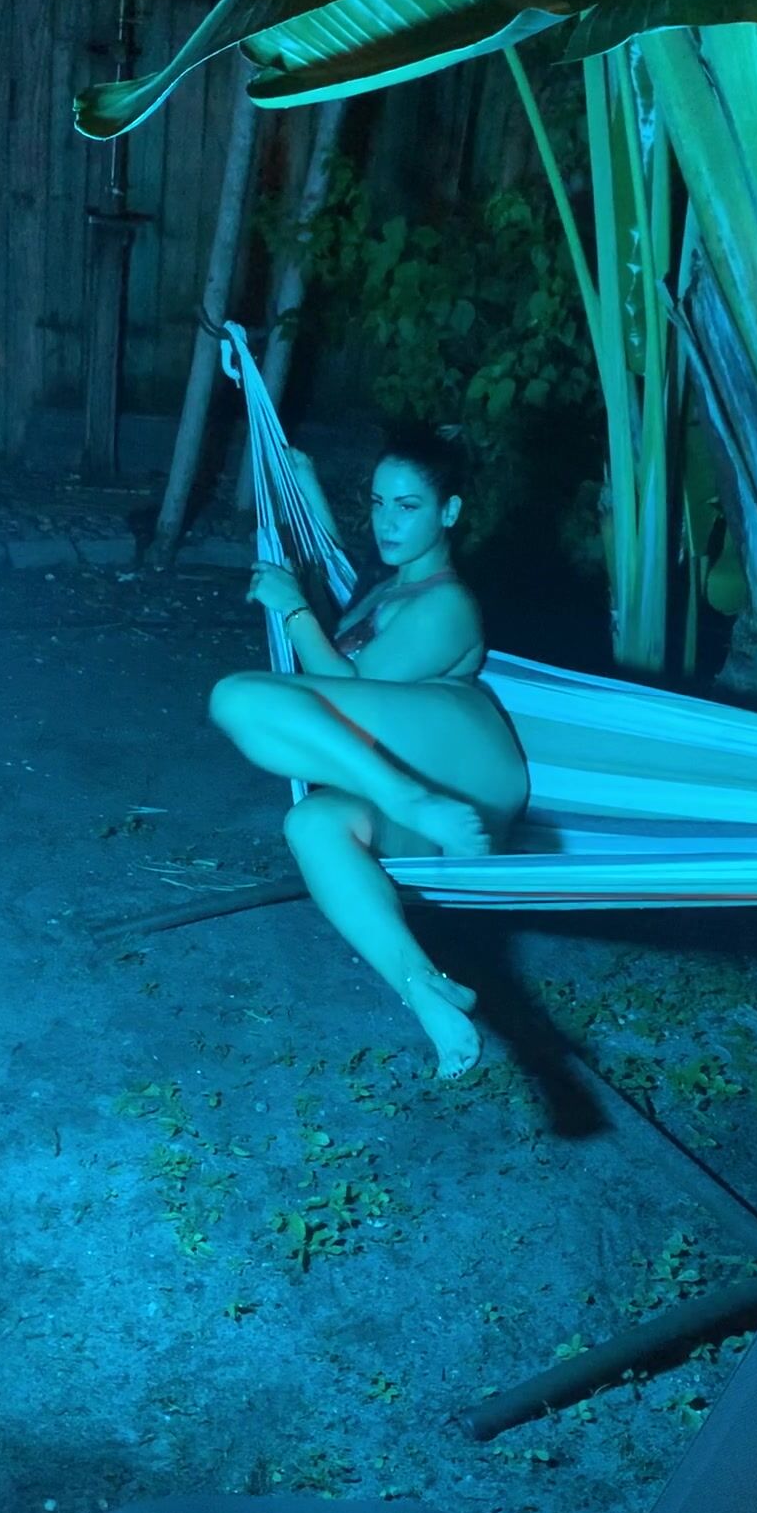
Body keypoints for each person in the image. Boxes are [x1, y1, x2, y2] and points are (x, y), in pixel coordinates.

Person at [208, 423, 530, 1081]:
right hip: (432, 800)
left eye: (407, 506)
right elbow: (345, 598)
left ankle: (407, 799)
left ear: (449, 512)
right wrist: (306, 492)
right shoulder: (389, 587)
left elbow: (348, 683)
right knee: (312, 824)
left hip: (464, 768)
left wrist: (292, 609)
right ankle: (424, 987)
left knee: (239, 699)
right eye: (379, 503)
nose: (387, 521)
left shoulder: (447, 605)